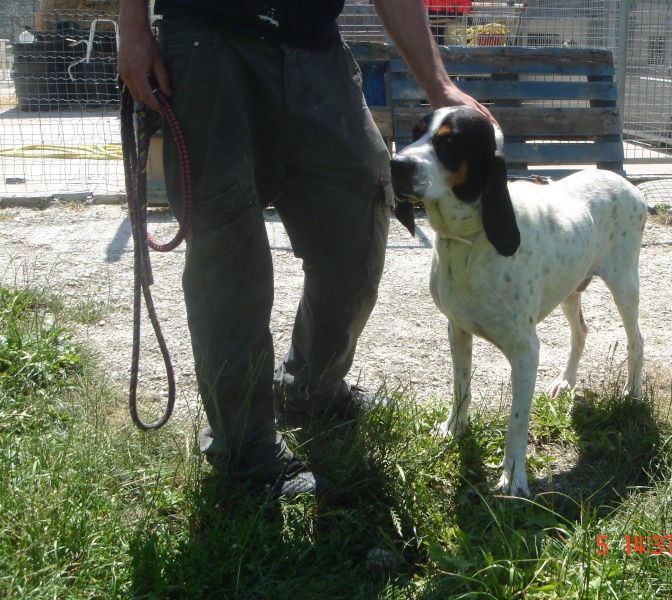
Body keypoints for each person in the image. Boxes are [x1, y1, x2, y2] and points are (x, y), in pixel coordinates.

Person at [118, 0, 495, 498]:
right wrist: (133, 25)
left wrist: (438, 84)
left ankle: (309, 390)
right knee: (227, 244)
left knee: (362, 207)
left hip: (315, 44)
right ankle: (244, 450)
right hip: (210, 39)